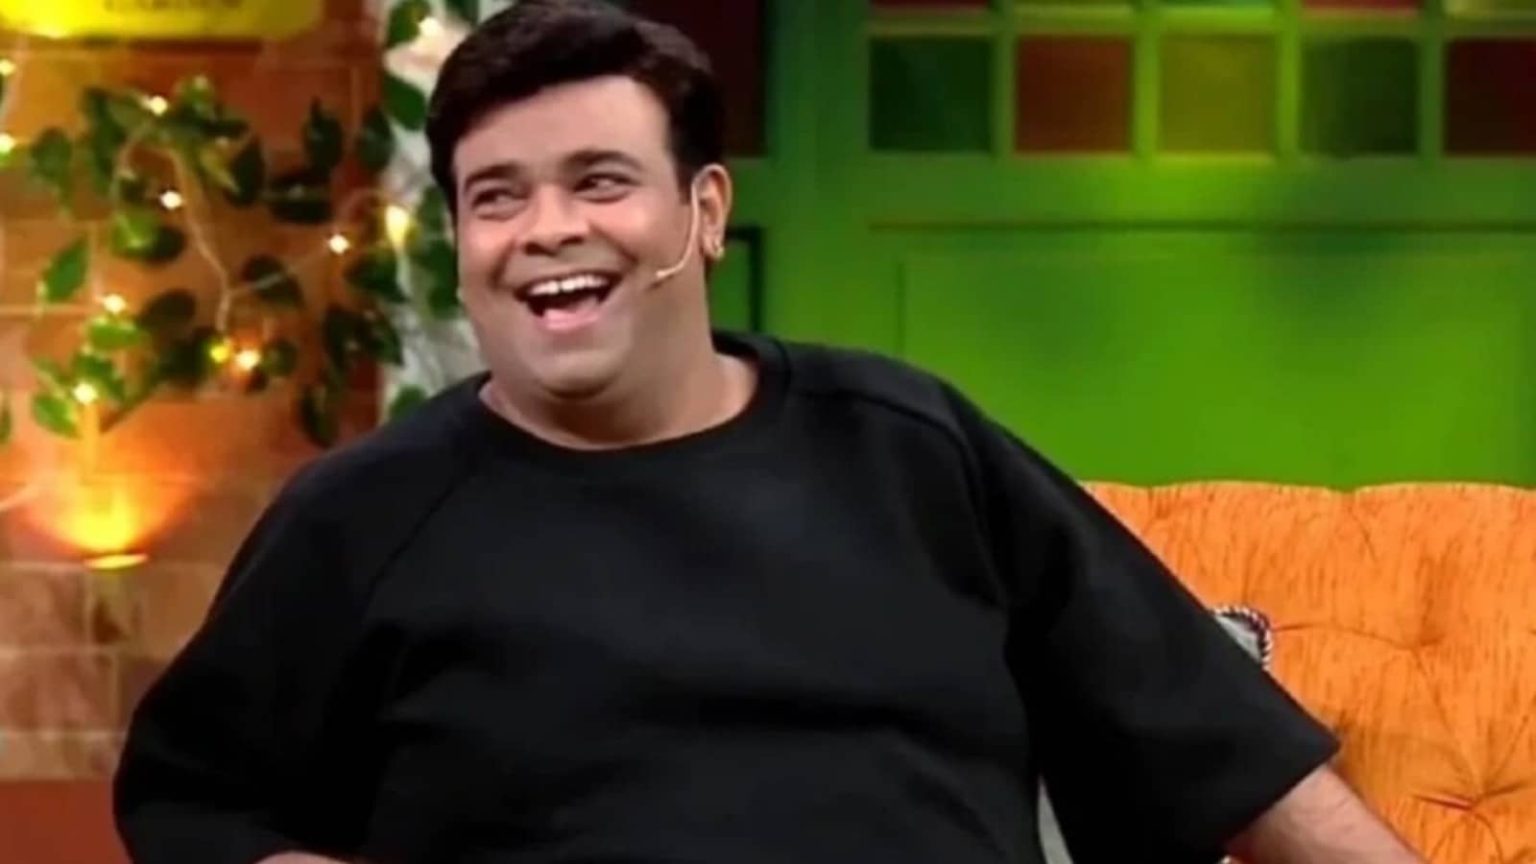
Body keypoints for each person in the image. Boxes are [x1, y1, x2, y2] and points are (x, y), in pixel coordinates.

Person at [113, 2, 1427, 862]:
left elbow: (1226, 749)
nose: (548, 230)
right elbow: (194, 804)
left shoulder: (911, 449)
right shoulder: (364, 517)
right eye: (496, 198)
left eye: (599, 181)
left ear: (704, 211)